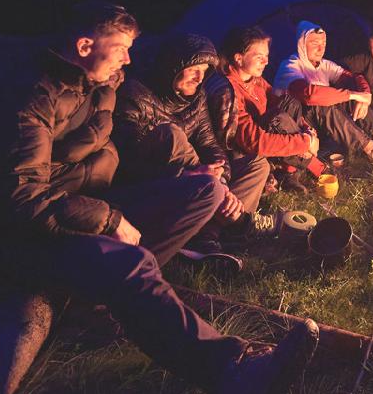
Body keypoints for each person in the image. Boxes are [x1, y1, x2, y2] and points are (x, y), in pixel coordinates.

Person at [0, 2, 317, 394]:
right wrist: (109, 218)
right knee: (132, 264)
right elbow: (23, 199)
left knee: (206, 192)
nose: (129, 59)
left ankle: (112, 296)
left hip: (87, 203)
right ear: (83, 46)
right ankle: (232, 372)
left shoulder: (99, 86)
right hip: (30, 233)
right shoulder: (32, 99)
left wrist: (197, 174)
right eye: (121, 49)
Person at [113, 33, 268, 255]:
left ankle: (208, 234)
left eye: (204, 72)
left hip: (198, 177)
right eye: (194, 69)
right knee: (172, 135)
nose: (199, 77)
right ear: (173, 66)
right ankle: (235, 223)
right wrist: (189, 173)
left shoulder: (196, 97)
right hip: (159, 182)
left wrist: (220, 178)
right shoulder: (135, 94)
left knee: (256, 164)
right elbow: (128, 160)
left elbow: (209, 144)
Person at [206, 25, 325, 198]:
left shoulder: (256, 80)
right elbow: (255, 141)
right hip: (247, 151)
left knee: (289, 102)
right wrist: (305, 143)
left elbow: (279, 102)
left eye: (267, 56)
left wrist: (308, 131)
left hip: (271, 135)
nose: (266, 62)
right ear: (238, 58)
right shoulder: (229, 92)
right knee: (278, 118)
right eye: (259, 57)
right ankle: (313, 165)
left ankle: (288, 171)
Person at [272, 21, 373, 157]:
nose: (321, 49)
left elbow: (354, 78)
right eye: (314, 44)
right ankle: (369, 148)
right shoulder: (290, 66)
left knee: (351, 93)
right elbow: (309, 95)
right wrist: (353, 95)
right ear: (302, 44)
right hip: (299, 127)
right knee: (323, 102)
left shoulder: (324, 64)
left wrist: (364, 95)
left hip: (322, 124)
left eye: (323, 44)